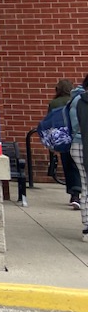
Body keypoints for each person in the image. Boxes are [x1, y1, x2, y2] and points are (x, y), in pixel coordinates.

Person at [47, 79, 81, 208]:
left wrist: (52, 143)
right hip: (78, 136)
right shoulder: (76, 100)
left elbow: (51, 123)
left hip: (63, 138)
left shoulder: (54, 103)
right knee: (78, 166)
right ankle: (77, 194)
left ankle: (74, 194)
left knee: (68, 166)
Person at [68, 75, 88, 242]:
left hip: (76, 144)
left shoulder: (76, 99)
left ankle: (87, 227)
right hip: (83, 144)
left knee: (86, 185)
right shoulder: (81, 101)